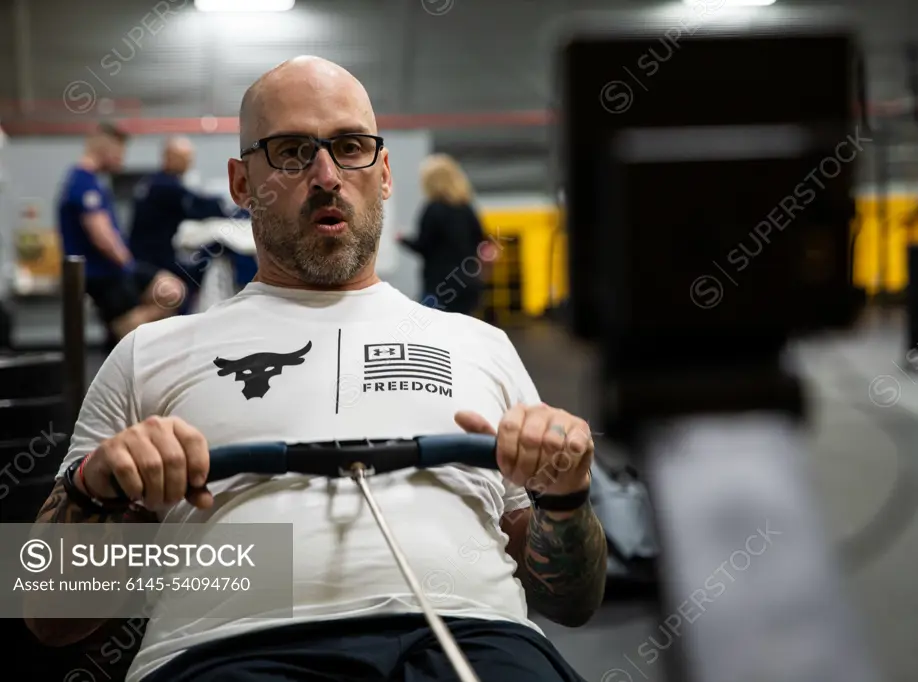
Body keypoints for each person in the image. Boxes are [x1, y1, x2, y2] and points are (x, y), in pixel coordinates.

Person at [28, 57, 606, 682]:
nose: (327, 176)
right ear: (243, 183)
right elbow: (49, 613)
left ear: (384, 174)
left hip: (474, 643)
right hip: (234, 654)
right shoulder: (150, 352)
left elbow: (570, 601)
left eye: (351, 147)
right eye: (293, 151)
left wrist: (565, 498)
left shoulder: (479, 345)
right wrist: (97, 489)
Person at [57, 123, 187, 342]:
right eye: (119, 153)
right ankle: (124, 335)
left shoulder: (89, 182)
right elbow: (102, 237)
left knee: (172, 291)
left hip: (112, 271)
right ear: (104, 149)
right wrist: (128, 266)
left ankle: (124, 334)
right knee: (170, 293)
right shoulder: (83, 183)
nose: (121, 159)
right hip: (104, 275)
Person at [129, 136, 237, 306]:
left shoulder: (152, 182)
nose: (189, 164)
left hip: (146, 258)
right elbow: (201, 207)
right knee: (185, 287)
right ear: (169, 157)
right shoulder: (165, 187)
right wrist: (233, 208)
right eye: (185, 159)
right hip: (154, 262)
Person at [399, 154, 493, 315]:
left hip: (440, 285)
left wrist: (403, 240)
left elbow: (424, 246)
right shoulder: (466, 208)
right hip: (468, 283)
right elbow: (482, 240)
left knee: (433, 335)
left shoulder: (432, 209)